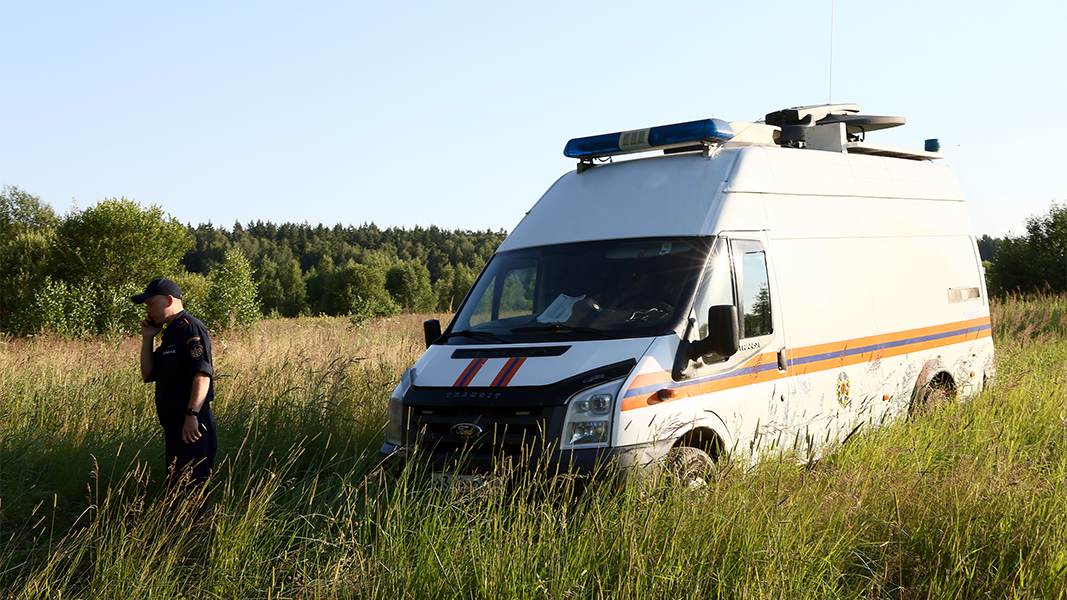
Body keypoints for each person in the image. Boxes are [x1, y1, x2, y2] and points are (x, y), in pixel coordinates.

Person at [133, 278, 217, 490]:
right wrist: (147, 339)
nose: (148, 310)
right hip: (176, 428)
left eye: (151, 303)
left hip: (192, 426)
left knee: (191, 494)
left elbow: (202, 375)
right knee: (177, 491)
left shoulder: (190, 328)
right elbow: (148, 373)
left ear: (169, 300)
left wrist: (191, 415)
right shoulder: (170, 334)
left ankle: (197, 524)